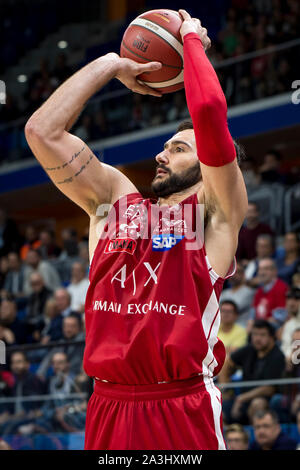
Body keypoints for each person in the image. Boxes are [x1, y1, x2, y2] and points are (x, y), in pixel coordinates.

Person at [24, 9, 248, 450]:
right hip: (107, 404)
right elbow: (42, 131)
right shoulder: (114, 203)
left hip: (181, 405)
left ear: (207, 165)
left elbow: (206, 109)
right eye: (164, 147)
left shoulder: (216, 216)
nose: (161, 155)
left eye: (179, 148)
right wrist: (111, 65)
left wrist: (190, 42)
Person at [219, 320, 286, 424]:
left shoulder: (277, 356)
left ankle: (256, 435)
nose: (257, 338)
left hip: (266, 399)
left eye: (262, 335)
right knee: (219, 404)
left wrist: (241, 398)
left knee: (257, 403)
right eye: (255, 334)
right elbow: (227, 363)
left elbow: (269, 389)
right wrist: (225, 390)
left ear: (271, 337)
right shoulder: (250, 349)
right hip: (243, 397)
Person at [252, 258, 289, 328]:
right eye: (260, 269)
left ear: (275, 271)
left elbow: (280, 317)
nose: (262, 273)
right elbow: (253, 312)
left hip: (273, 329)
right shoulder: (259, 290)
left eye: (266, 269)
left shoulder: (281, 288)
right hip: (259, 328)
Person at [280, 287, 300, 358]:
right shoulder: (288, 324)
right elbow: (284, 348)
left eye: (297, 299)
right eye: (289, 298)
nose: (291, 303)